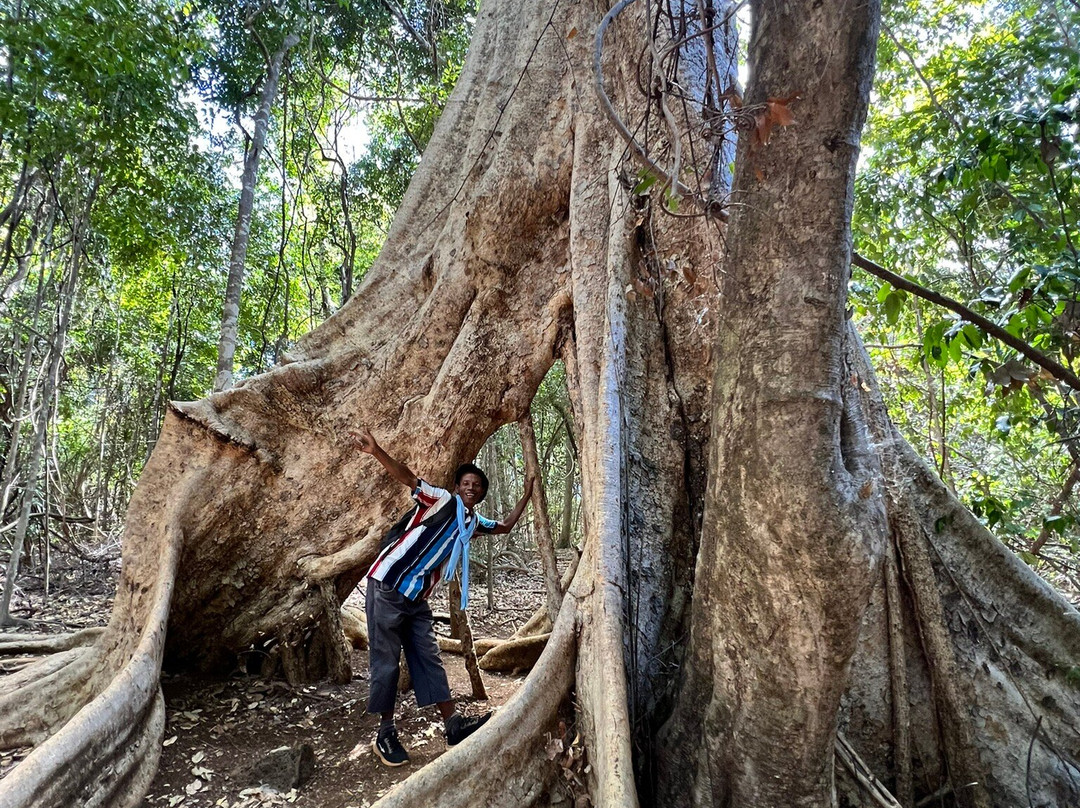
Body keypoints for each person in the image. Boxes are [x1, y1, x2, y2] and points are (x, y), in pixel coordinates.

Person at [352, 428, 534, 767]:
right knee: (386, 660)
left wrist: (528, 492)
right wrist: (376, 451)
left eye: (476, 485)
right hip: (389, 583)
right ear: (457, 487)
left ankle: (452, 725)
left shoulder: (472, 523)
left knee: (429, 658)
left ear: (481, 494)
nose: (470, 487)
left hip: (417, 597)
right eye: (465, 483)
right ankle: (385, 733)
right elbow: (408, 477)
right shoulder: (441, 500)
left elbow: (505, 526)